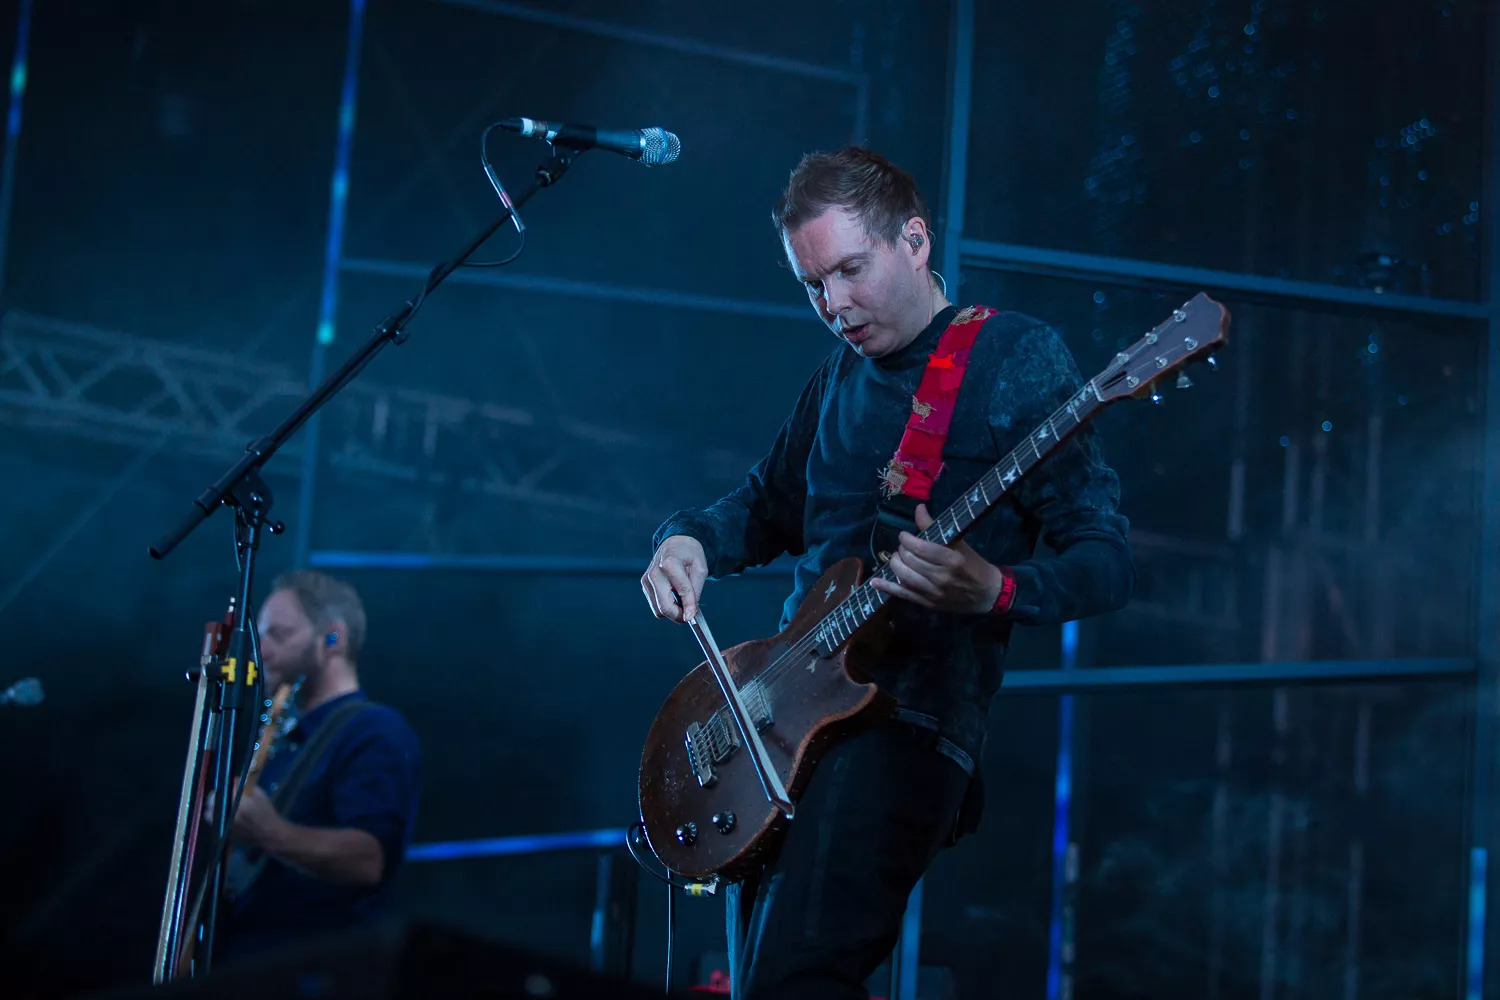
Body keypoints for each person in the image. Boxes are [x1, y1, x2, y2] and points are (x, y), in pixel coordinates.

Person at [640, 147, 1135, 998]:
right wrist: (687, 540)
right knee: (760, 981)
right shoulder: (837, 377)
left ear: (914, 239)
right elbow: (763, 507)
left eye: (849, 271)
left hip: (906, 721)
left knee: (800, 977)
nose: (833, 305)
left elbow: (1106, 559)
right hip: (782, 720)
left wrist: (998, 590)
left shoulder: (1012, 357)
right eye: (812, 285)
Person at [213, 569, 422, 963]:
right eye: (261, 636)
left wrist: (271, 832)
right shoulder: (282, 733)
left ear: (333, 639)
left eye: (279, 635)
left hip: (313, 967)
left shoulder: (374, 730)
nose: (262, 651)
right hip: (244, 961)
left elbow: (369, 860)